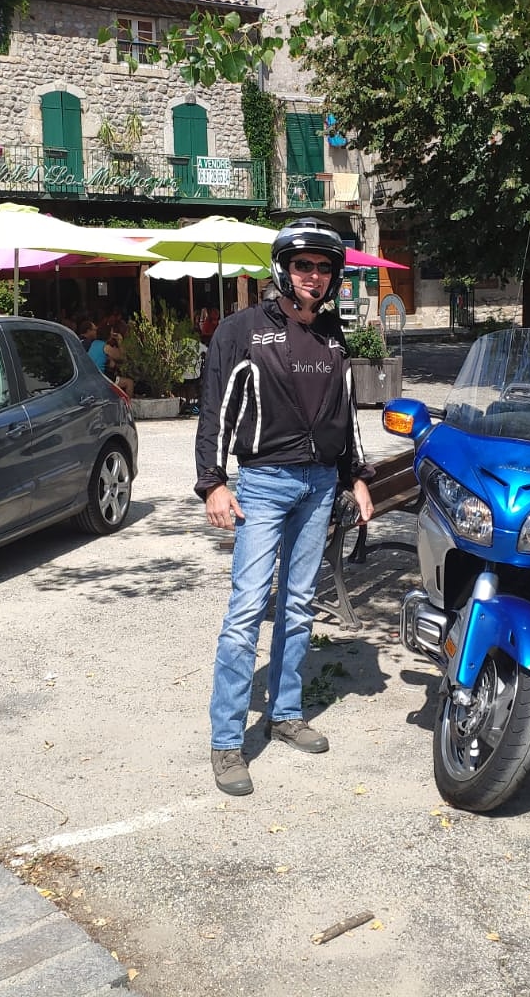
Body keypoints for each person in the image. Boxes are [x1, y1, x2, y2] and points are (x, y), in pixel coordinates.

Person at [195, 218, 374, 798]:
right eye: (303, 266)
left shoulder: (333, 335)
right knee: (247, 608)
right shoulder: (242, 331)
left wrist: (356, 475)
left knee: (298, 604)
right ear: (283, 269)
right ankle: (227, 742)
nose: (313, 276)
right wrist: (213, 482)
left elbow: (345, 411)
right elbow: (215, 410)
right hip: (265, 484)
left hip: (319, 485)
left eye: (323, 268)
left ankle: (286, 713)